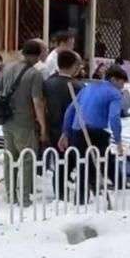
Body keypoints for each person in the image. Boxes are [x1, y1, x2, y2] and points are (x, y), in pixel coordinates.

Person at [61, 64, 127, 204]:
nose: (122, 86)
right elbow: (114, 118)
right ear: (114, 79)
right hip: (96, 132)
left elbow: (70, 111)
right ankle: (120, 187)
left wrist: (65, 132)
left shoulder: (88, 88)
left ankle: (81, 199)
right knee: (106, 160)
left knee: (83, 165)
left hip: (77, 130)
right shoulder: (114, 93)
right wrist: (119, 140)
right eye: (122, 82)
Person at [0, 39, 48, 206]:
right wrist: (42, 126)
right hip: (24, 122)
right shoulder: (35, 74)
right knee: (27, 159)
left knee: (9, 158)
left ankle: (10, 195)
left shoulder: (7, 68)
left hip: (6, 121)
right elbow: (37, 102)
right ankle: (25, 198)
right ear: (38, 55)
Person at [43, 49, 83, 197]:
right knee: (74, 161)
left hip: (52, 129)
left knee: (59, 162)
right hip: (72, 131)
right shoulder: (78, 86)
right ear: (73, 66)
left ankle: (59, 192)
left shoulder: (48, 84)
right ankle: (71, 190)